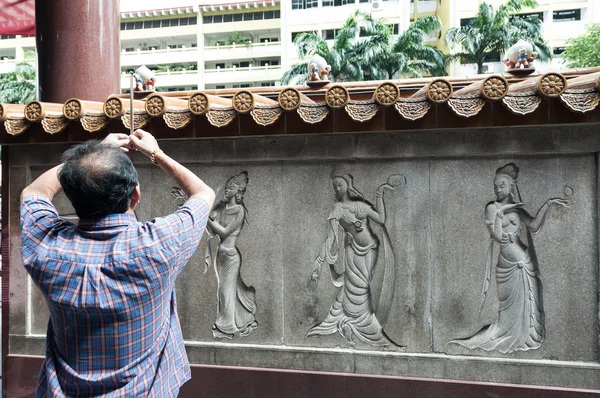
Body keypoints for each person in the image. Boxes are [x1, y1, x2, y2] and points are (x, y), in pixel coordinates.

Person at [20, 130, 215, 397]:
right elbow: (203, 193)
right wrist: (155, 154)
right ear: (135, 195)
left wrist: (90, 158)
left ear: (71, 195)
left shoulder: (47, 247)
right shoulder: (159, 245)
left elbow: (34, 191)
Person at [449, 163, 569, 354]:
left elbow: (534, 226)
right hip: (507, 264)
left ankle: (528, 339)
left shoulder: (519, 210)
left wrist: (548, 204)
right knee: (506, 310)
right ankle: (505, 336)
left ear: (511, 186)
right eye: (495, 185)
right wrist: (502, 212)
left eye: (502, 185)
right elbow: (496, 235)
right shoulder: (492, 208)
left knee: (531, 305)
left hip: (525, 261)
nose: (498, 189)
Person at [308, 169, 402, 349]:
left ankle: (350, 324)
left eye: (340, 183)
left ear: (347, 184)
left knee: (362, 286)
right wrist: (318, 263)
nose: (337, 187)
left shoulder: (360, 205)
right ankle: (355, 325)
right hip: (352, 252)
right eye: (334, 185)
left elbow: (380, 219)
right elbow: (331, 239)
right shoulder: (337, 210)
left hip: (370, 249)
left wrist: (380, 192)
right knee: (357, 290)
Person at [206, 171, 258, 339]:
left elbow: (225, 232)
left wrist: (208, 219)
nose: (226, 190)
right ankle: (244, 320)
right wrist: (209, 217)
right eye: (226, 187)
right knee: (227, 291)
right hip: (220, 255)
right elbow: (211, 232)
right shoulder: (222, 207)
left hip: (231, 257)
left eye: (230, 188)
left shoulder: (239, 211)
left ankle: (226, 327)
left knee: (224, 291)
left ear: (237, 192)